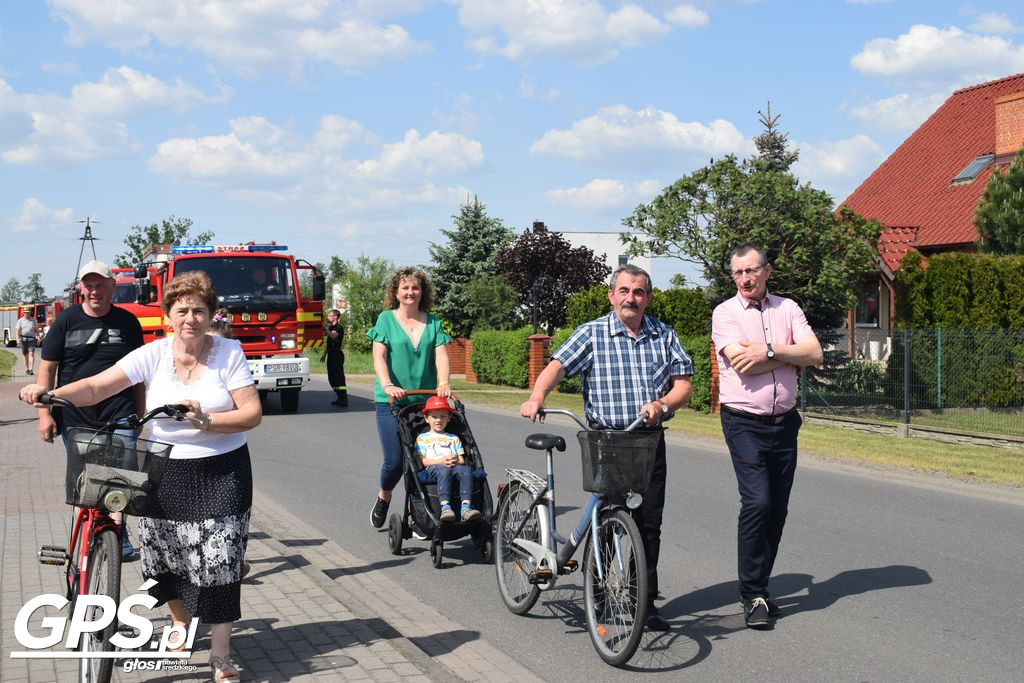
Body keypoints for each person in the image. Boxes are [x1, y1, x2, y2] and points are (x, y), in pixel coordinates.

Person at [22, 270, 261, 683]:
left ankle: (219, 654)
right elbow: (97, 386)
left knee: (221, 562)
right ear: (169, 315)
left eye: (199, 311)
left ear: (211, 315)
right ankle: (180, 624)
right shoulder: (152, 354)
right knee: (163, 557)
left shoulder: (228, 352)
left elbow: (251, 413)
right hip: (166, 470)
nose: (191, 318)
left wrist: (206, 420)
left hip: (223, 471)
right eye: (182, 310)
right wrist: (51, 395)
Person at [520, 264, 694, 632]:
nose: (631, 298)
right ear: (612, 295)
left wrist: (662, 406)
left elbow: (683, 387)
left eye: (639, 292)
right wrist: (537, 396)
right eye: (625, 291)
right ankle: (599, 595)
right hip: (605, 440)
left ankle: (643, 603)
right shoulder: (592, 333)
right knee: (607, 518)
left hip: (648, 441)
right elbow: (557, 367)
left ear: (647, 297)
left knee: (648, 525)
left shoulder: (664, 335)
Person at [711, 244, 822, 629]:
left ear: (767, 271)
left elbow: (817, 353)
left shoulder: (787, 308)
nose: (745, 279)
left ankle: (760, 589)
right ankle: (751, 593)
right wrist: (792, 354)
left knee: (777, 509)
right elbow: (745, 362)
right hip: (744, 422)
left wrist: (771, 349)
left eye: (751, 271)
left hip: (785, 422)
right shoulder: (724, 313)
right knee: (757, 502)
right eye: (738, 273)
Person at [37, 260, 146, 558]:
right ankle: (87, 535)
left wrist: (140, 414)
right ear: (81, 288)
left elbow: (139, 376)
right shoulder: (65, 321)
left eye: (100, 285)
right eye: (89, 285)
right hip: (75, 414)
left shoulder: (128, 323)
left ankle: (117, 534)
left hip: (120, 410)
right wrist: (45, 415)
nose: (94, 291)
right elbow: (46, 371)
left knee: (121, 477)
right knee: (88, 478)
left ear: (112, 286)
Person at [367, 267, 451, 529]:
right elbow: (379, 356)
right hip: (391, 403)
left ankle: (421, 513)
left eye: (415, 287)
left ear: (422, 291)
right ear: (396, 292)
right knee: (394, 462)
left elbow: (441, 356)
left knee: (422, 460)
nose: (410, 292)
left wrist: (444, 383)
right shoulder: (386, 320)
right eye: (405, 288)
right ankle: (384, 496)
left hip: (424, 403)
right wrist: (388, 384)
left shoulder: (433, 322)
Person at [416, 395, 479, 522]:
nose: (438, 420)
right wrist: (440, 461)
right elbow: (423, 461)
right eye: (434, 417)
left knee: (466, 470)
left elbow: (461, 460)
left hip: (454, 466)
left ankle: (465, 507)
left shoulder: (454, 438)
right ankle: (445, 507)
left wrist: (454, 460)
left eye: (443, 416)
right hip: (433, 468)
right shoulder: (423, 438)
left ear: (449, 418)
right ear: (426, 419)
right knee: (443, 470)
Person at [324, 308, 348, 407]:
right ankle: (339, 397)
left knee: (338, 377)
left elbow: (333, 336)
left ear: (335, 317)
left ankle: (344, 398)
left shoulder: (339, 327)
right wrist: (324, 355)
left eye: (329, 315)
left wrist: (325, 328)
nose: (328, 317)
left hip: (337, 355)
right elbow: (329, 342)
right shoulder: (330, 327)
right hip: (331, 354)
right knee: (332, 377)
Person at [17, 308, 38, 375]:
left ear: (30, 313)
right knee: (25, 354)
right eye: (25, 312)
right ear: (23, 313)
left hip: (31, 339)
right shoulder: (20, 320)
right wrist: (17, 339)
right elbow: (18, 330)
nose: (27, 313)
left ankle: (31, 369)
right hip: (23, 339)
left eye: (28, 312)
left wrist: (38, 337)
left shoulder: (34, 320)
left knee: (31, 354)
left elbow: (36, 330)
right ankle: (27, 368)